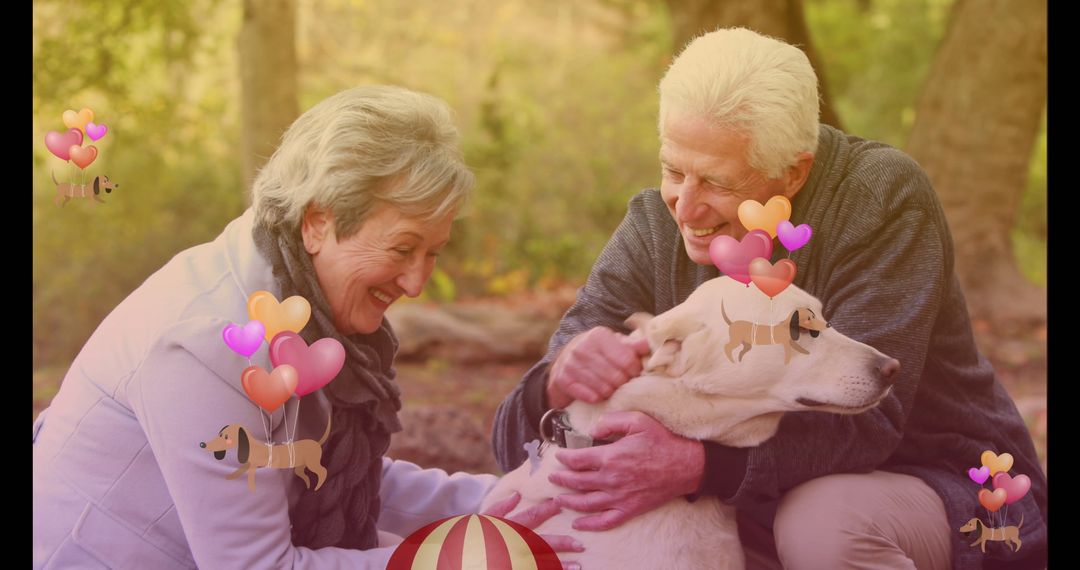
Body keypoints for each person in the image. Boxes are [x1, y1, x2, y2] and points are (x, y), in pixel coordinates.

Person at [492, 27, 1047, 569]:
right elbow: (520, 435)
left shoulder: (879, 199)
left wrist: (698, 468)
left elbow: (870, 423)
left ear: (793, 172)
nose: (685, 207)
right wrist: (555, 380)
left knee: (822, 523)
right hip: (750, 506)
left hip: (956, 488)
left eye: (717, 182)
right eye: (672, 170)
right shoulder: (652, 228)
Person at [33, 85, 583, 569]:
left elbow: (333, 475)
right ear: (318, 221)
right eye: (402, 249)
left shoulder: (303, 303)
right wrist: (457, 559)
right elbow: (256, 567)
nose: (416, 283)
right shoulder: (209, 343)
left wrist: (511, 501)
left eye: (433, 253)